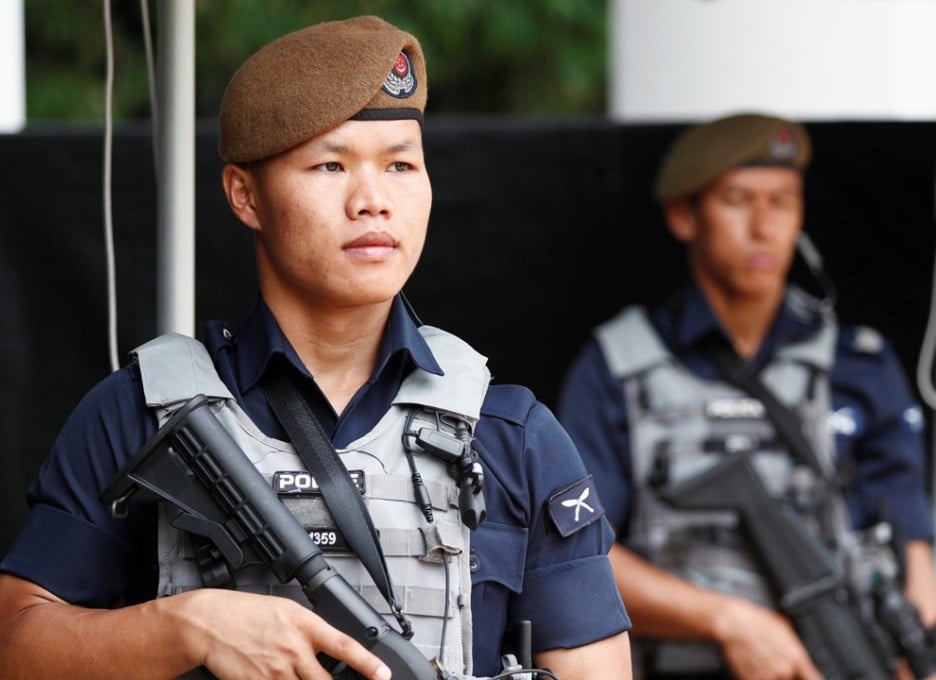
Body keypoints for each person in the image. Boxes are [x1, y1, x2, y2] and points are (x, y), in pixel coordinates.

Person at [0, 16, 632, 680]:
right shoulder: (141, 413)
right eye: (331, 165)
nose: (373, 201)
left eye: (401, 165)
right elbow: (15, 644)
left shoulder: (512, 438)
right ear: (245, 195)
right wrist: (187, 627)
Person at [556, 113, 936, 680]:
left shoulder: (859, 366)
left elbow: (913, 559)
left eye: (782, 202)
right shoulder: (618, 366)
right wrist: (727, 621)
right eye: (738, 200)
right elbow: (575, 555)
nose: (764, 227)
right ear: (684, 215)